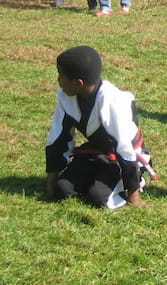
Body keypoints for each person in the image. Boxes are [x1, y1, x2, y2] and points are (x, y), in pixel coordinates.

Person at [45, 46, 156, 208]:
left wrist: (134, 197)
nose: (58, 81)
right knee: (62, 190)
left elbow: (125, 149)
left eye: (61, 76)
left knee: (99, 199)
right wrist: (50, 185)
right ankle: (94, 179)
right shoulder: (65, 96)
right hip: (96, 152)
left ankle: (132, 183)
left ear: (78, 83)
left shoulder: (111, 101)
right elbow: (58, 139)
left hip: (121, 158)